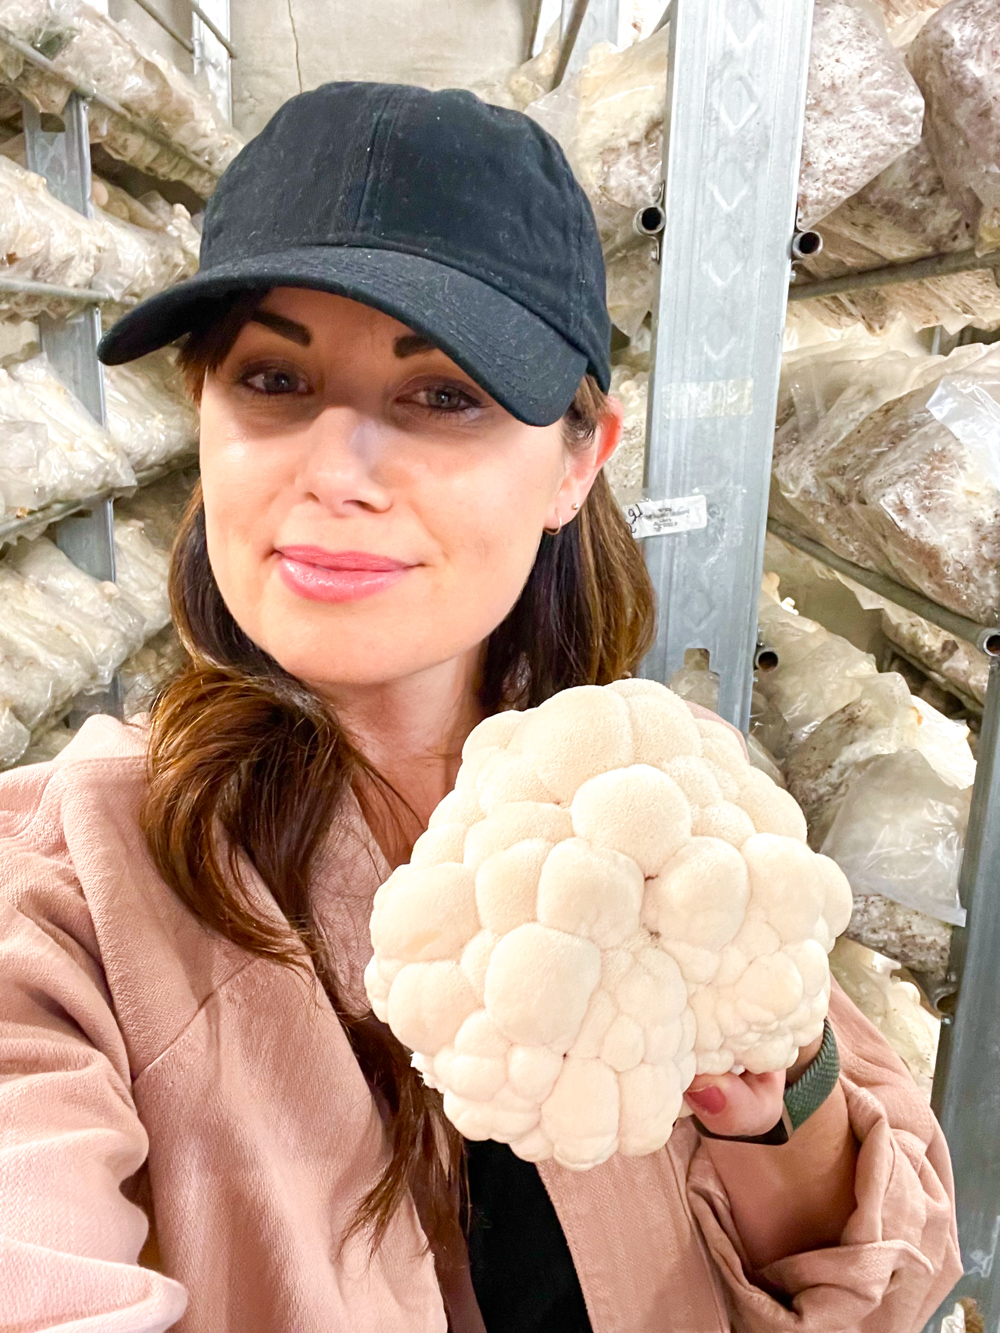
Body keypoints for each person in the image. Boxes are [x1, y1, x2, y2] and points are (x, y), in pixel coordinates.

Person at [0, 82, 960, 1333]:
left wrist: (769, 1073)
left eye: (441, 393)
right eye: (274, 381)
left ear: (579, 459)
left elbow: (878, 1283)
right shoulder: (77, 879)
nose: (336, 473)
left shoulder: (661, 817)